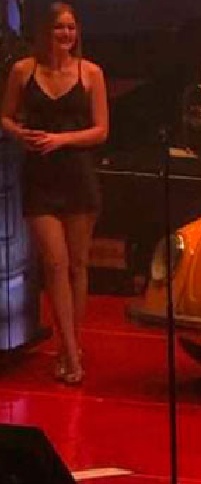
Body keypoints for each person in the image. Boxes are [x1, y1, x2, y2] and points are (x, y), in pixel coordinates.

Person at [0, 2, 108, 385]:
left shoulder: (90, 73)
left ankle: (69, 346)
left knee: (77, 266)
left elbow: (101, 130)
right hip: (39, 179)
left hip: (77, 176)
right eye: (59, 28)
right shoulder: (23, 70)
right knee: (55, 264)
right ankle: (71, 353)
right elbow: (5, 116)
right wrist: (20, 134)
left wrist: (60, 140)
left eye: (71, 28)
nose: (66, 34)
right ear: (44, 32)